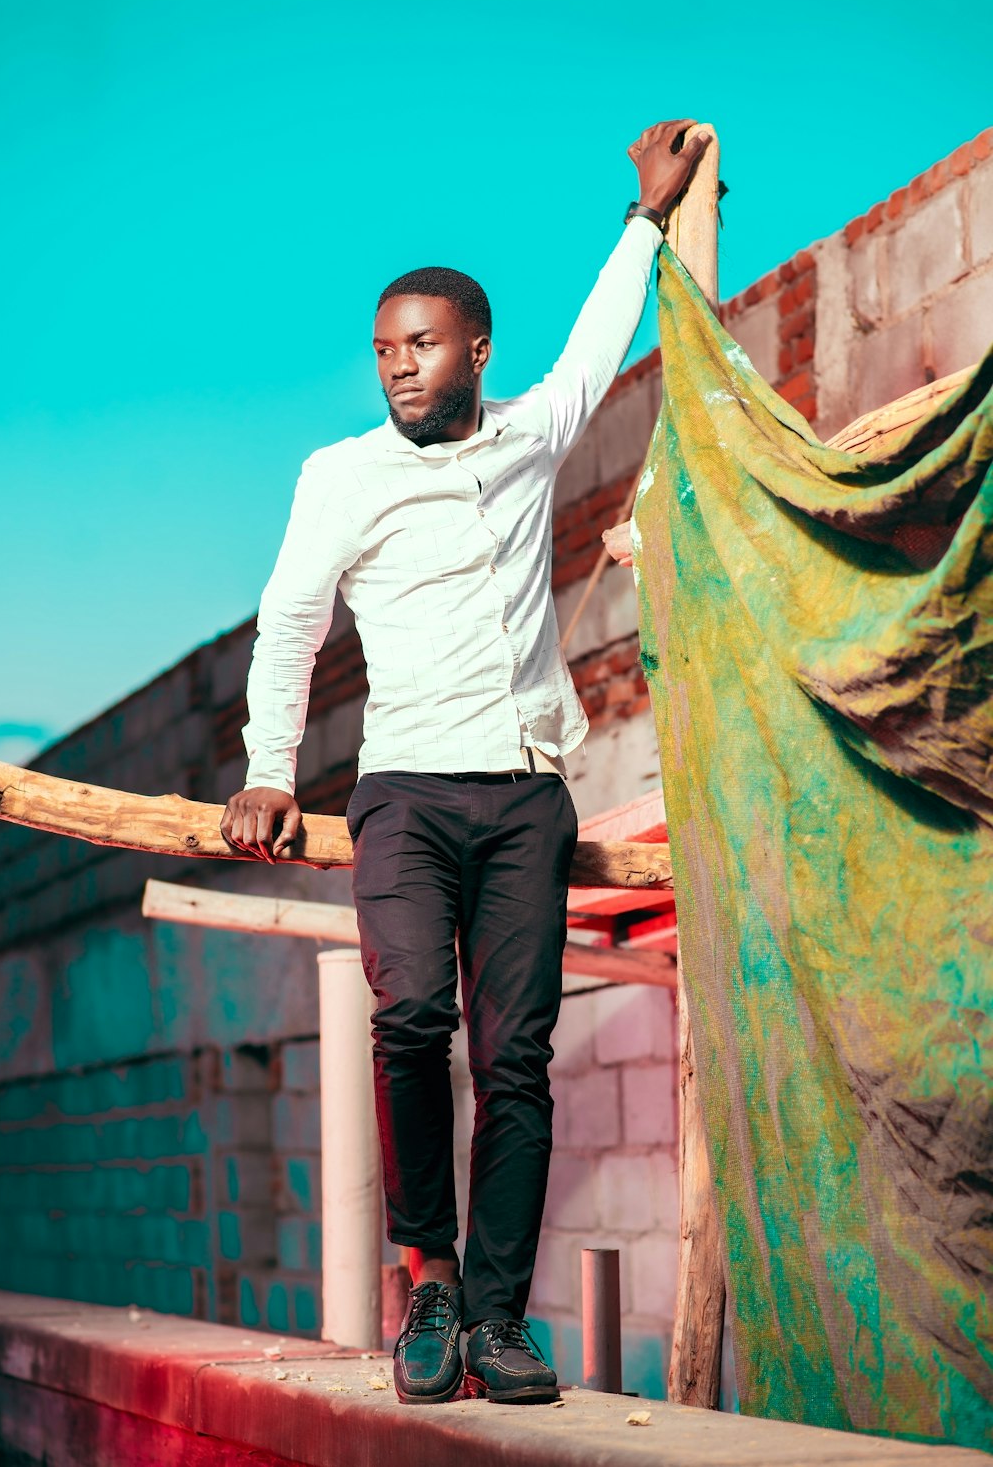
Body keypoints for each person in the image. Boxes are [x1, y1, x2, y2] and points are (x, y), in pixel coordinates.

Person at [221, 118, 710, 1405]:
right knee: (408, 1021)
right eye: (382, 348)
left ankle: (497, 1317)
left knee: (517, 1057)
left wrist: (646, 219)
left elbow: (605, 342)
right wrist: (272, 767)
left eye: (420, 344)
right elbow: (288, 624)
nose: (396, 365)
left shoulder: (531, 435)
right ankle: (426, 1281)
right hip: (402, 792)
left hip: (527, 791)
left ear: (474, 351)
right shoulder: (337, 474)